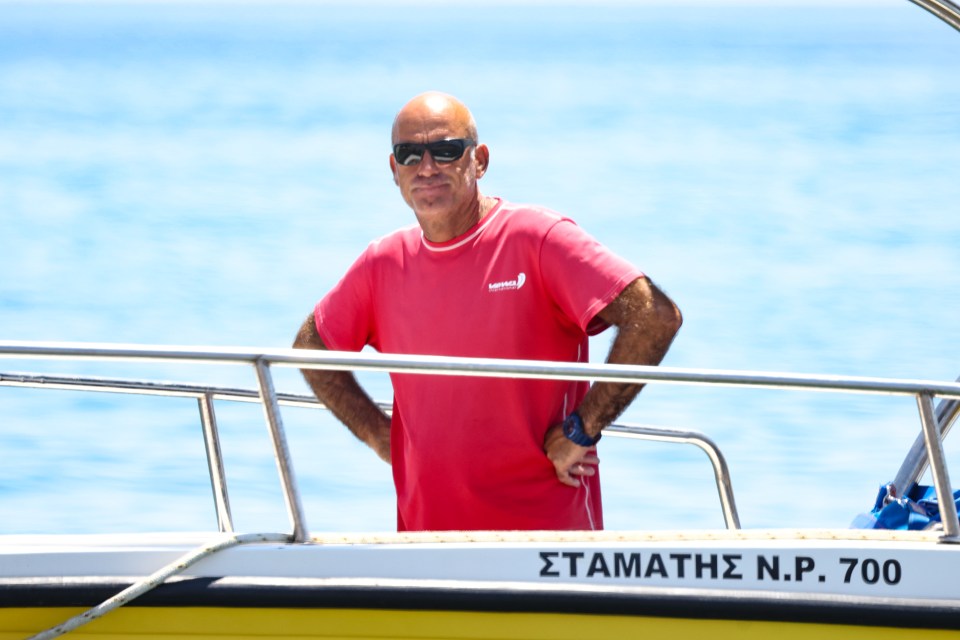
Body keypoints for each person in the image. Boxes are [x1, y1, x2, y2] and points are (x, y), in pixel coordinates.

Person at [293, 91, 682, 531]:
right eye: (409, 154)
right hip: (424, 546)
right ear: (393, 170)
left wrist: (582, 428)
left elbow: (654, 316)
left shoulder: (537, 238)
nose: (426, 167)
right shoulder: (382, 263)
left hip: (545, 545)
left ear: (478, 160)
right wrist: (380, 437)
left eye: (445, 150)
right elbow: (311, 348)